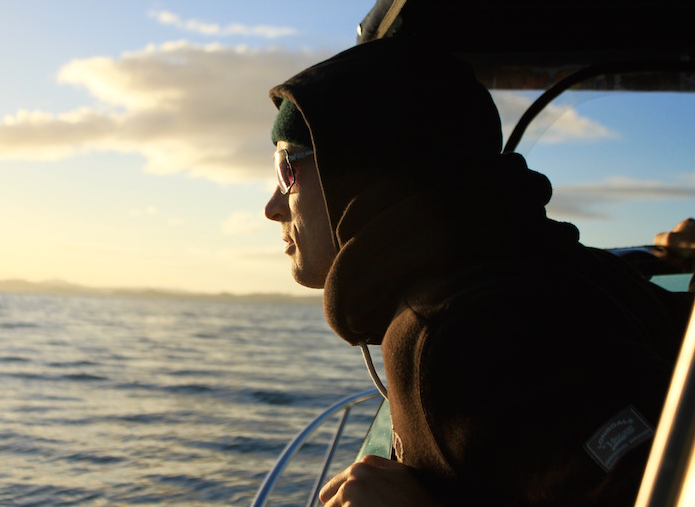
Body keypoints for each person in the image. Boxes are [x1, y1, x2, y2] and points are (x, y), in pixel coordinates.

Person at [263, 36, 695, 506]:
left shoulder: (462, 336)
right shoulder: (542, 266)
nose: (271, 207)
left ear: (363, 170)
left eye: (286, 170)